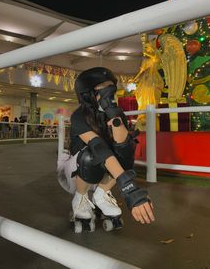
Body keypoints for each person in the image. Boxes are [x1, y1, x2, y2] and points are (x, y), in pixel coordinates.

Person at [58, 67, 155, 232]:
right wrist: (129, 187)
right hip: (75, 172)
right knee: (91, 155)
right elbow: (98, 147)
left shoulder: (115, 113)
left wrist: (113, 114)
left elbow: (123, 147)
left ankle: (102, 193)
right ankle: (80, 198)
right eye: (102, 89)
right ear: (88, 94)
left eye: (110, 89)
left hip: (102, 169)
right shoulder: (79, 116)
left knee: (127, 148)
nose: (108, 95)